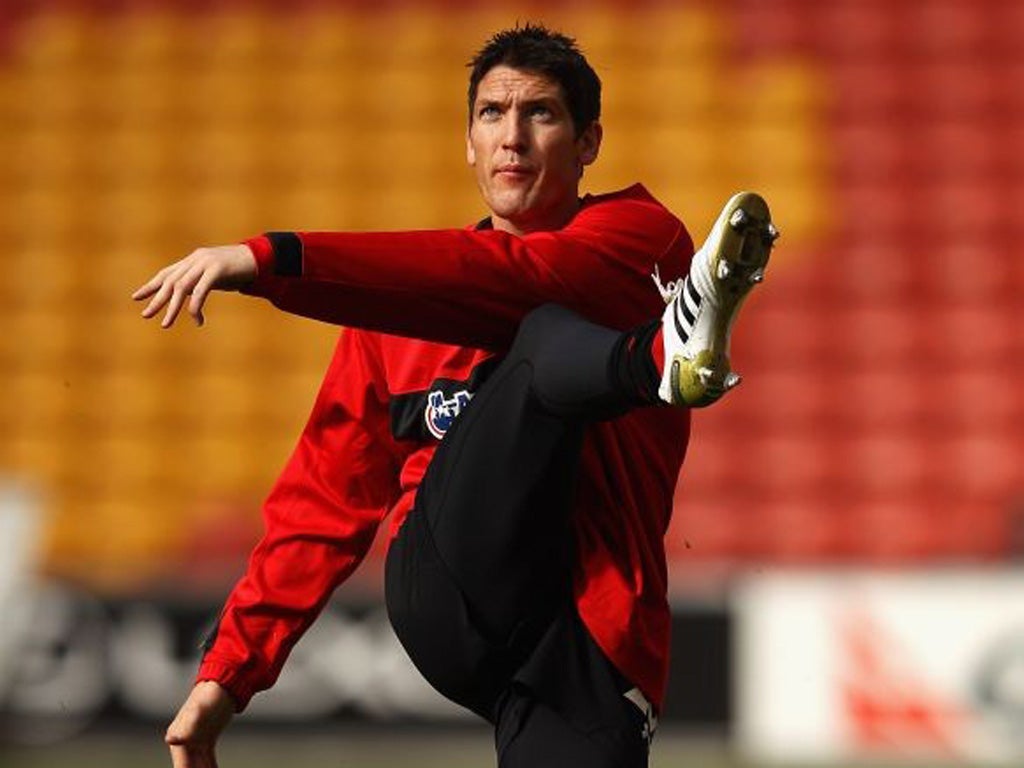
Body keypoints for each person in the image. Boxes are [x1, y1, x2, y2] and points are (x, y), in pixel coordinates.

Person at [133, 24, 776, 768]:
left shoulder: (643, 237)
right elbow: (322, 506)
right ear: (467, 142)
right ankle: (657, 358)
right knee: (540, 343)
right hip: (448, 588)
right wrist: (226, 675)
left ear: (588, 142)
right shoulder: (396, 319)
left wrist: (281, 263)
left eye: (540, 114)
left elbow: (516, 276)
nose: (513, 138)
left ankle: (662, 357)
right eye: (492, 114)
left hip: (582, 639)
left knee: (541, 327)